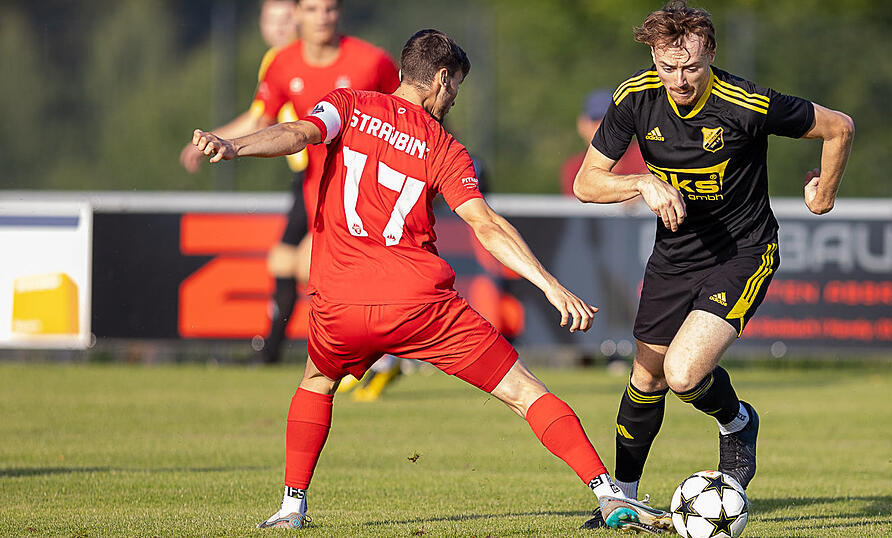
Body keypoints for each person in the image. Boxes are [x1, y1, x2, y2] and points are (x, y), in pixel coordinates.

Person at [191, 29, 674, 533]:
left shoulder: (347, 105)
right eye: (456, 88)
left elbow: (297, 135)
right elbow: (485, 224)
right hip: (419, 305)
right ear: (442, 79)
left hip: (341, 303)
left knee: (316, 382)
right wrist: (549, 283)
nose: (454, 99)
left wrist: (233, 145)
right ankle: (608, 494)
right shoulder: (445, 147)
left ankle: (292, 507)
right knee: (525, 392)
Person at [573, 0, 854, 529]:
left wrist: (824, 196)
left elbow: (839, 127)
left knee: (683, 373)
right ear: (653, 57)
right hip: (674, 256)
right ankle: (624, 501)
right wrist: (640, 181)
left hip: (742, 252)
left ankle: (737, 422)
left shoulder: (744, 102)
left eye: (691, 67)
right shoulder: (635, 98)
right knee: (646, 378)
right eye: (668, 66)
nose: (679, 79)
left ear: (712, 56)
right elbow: (585, 182)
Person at [180, 0, 400, 366]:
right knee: (291, 264)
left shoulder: (371, 61)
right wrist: (215, 141)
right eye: (312, 9)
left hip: (366, 193)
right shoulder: (283, 64)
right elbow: (261, 120)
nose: (321, 18)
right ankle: (371, 358)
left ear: (339, 13)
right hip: (317, 187)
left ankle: (377, 357)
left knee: (312, 268)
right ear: (297, 14)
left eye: (329, 9)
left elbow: (411, 116)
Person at [560, 89, 648, 196]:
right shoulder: (574, 168)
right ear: (582, 125)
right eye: (595, 121)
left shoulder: (647, 154)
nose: (602, 129)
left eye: (610, 122)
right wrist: (632, 189)